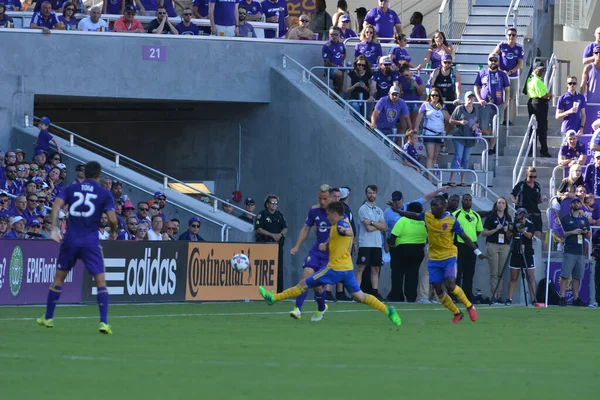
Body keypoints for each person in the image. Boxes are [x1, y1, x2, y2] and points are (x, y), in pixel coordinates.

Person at [258, 201, 402, 326]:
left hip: (334, 269)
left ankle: (273, 298)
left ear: (334, 213)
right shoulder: (337, 223)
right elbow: (335, 238)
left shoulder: (341, 224)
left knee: (303, 284)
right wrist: (326, 245)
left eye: (328, 214)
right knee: (360, 296)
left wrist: (345, 231)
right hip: (347, 269)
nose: (327, 217)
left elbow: (348, 232)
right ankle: (387, 310)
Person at [36, 161, 117, 334]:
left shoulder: (71, 189)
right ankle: (103, 322)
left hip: (71, 239)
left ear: (85, 173)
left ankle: (48, 317)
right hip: (90, 241)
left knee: (59, 278)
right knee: (100, 281)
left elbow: (56, 205)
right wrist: (112, 232)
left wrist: (54, 228)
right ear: (99, 175)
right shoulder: (104, 193)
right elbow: (112, 219)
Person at [397, 195, 486, 323]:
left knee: (450, 285)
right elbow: (413, 215)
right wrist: (398, 211)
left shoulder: (451, 220)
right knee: (438, 290)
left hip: (449, 256)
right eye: (432, 208)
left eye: (436, 208)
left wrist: (477, 252)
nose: (433, 211)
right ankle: (457, 313)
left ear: (444, 207)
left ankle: (470, 306)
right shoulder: (428, 215)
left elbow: (465, 237)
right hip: (434, 258)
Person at [289, 185, 333, 318]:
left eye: (325, 199)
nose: (322, 202)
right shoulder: (314, 210)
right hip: (316, 250)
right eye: (320, 198)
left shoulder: (338, 211)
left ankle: (321, 306)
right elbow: (306, 229)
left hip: (331, 253)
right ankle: (298, 309)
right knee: (306, 276)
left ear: (331, 198)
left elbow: (348, 232)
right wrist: (296, 246)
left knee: (317, 285)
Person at [387, 201, 426, 302]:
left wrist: (392, 246)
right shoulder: (424, 222)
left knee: (397, 274)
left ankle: (396, 296)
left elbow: (393, 235)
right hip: (418, 250)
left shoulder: (403, 220)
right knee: (413, 274)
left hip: (402, 249)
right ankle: (411, 297)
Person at [355, 184, 388, 300]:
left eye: (373, 193)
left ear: (376, 194)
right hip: (366, 243)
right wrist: (379, 225)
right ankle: (356, 292)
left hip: (377, 244)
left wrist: (373, 222)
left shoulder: (379, 210)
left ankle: (375, 291)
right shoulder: (363, 209)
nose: (371, 195)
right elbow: (367, 228)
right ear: (366, 194)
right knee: (361, 267)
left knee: (376, 268)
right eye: (369, 193)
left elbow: (385, 227)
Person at [474, 53, 510, 155]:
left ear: (498, 62)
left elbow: (507, 89)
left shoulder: (502, 74)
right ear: (488, 61)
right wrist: (479, 99)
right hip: (485, 104)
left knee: (496, 127)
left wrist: (506, 103)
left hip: (498, 104)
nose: (493, 62)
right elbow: (476, 86)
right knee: (483, 127)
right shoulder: (482, 73)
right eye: (491, 60)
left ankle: (491, 147)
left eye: (495, 60)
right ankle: (491, 139)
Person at [452, 194, 483, 302]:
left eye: (470, 200)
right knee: (457, 272)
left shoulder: (476, 215)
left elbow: (479, 230)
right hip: (459, 245)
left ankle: (467, 296)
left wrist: (472, 239)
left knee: (469, 273)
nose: (468, 202)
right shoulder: (456, 214)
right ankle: (454, 296)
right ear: (462, 201)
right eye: (466, 200)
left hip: (472, 246)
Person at [482, 197, 512, 303]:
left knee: (501, 272)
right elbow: (484, 233)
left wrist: (507, 230)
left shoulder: (508, 218)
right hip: (493, 245)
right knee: (494, 272)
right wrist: (495, 229)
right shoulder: (491, 217)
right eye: (499, 203)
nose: (501, 205)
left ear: (505, 206)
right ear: (496, 205)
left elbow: (510, 235)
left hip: (504, 245)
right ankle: (494, 294)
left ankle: (499, 295)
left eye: (503, 203)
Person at [504, 208, 537, 305]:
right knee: (513, 277)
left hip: (527, 253)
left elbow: (530, 236)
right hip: (516, 252)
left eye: (523, 215)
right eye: (519, 215)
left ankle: (533, 299)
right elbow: (508, 236)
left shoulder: (530, 224)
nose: (521, 217)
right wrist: (510, 228)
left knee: (530, 277)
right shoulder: (514, 223)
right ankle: (509, 299)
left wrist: (522, 231)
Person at [255, 194, 288, 291]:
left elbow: (285, 228)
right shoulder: (262, 214)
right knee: (264, 268)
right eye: (272, 203)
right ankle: (263, 290)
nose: (274, 205)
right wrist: (272, 235)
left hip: (277, 246)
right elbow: (258, 229)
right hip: (265, 245)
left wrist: (280, 235)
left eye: (275, 203)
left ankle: (279, 291)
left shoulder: (279, 215)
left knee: (278, 268)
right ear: (267, 204)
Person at [413, 87, 450, 171]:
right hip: (429, 133)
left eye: (437, 95)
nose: (435, 97)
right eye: (433, 95)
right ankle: (429, 177)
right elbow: (418, 119)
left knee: (435, 156)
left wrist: (441, 108)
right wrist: (416, 130)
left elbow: (449, 119)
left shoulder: (442, 106)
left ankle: (432, 175)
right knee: (430, 155)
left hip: (439, 134)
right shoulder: (425, 105)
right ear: (429, 96)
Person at [447, 91, 480, 186]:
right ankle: (451, 179)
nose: (470, 99)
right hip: (459, 136)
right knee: (458, 156)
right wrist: (460, 122)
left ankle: (462, 180)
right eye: (469, 97)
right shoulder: (459, 108)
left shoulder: (476, 110)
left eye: (472, 97)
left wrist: (476, 125)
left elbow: (478, 122)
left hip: (470, 138)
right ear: (465, 98)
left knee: (465, 159)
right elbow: (451, 120)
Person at [493, 28, 524, 125]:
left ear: (516, 36)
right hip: (501, 75)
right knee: (499, 96)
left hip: (512, 76)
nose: (511, 37)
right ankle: (499, 118)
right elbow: (493, 56)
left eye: (513, 35)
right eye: (510, 35)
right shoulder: (502, 45)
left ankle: (507, 119)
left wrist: (510, 71)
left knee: (510, 98)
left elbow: (520, 64)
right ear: (507, 36)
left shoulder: (519, 48)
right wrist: (500, 70)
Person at [526, 61, 553, 157]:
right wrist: (549, 95)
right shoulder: (535, 80)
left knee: (536, 128)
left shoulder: (533, 78)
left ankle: (532, 150)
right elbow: (543, 95)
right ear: (534, 69)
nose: (542, 71)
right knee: (541, 128)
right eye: (540, 69)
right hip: (538, 103)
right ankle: (543, 150)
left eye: (543, 69)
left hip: (536, 102)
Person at [510, 166, 543, 239]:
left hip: (534, 211)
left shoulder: (537, 185)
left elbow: (538, 199)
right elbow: (512, 195)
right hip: (523, 211)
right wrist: (514, 200)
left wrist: (542, 200)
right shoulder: (521, 185)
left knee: (538, 231)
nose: (533, 179)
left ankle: (536, 249)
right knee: (522, 231)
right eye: (531, 177)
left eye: (535, 177)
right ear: (526, 175)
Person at [398, 65, 424, 130]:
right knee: (403, 126)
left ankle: (413, 139)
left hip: (415, 102)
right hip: (405, 102)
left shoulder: (417, 78)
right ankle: (400, 140)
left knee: (413, 126)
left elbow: (421, 93)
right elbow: (400, 93)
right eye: (404, 75)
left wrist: (416, 85)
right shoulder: (401, 78)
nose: (406, 76)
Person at [321, 26, 346, 94]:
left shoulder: (341, 45)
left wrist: (342, 64)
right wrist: (338, 66)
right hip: (330, 69)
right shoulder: (326, 46)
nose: (334, 36)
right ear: (329, 35)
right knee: (339, 73)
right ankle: (340, 92)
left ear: (339, 35)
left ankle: (338, 92)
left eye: (336, 34)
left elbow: (344, 54)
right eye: (332, 34)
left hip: (339, 67)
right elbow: (327, 62)